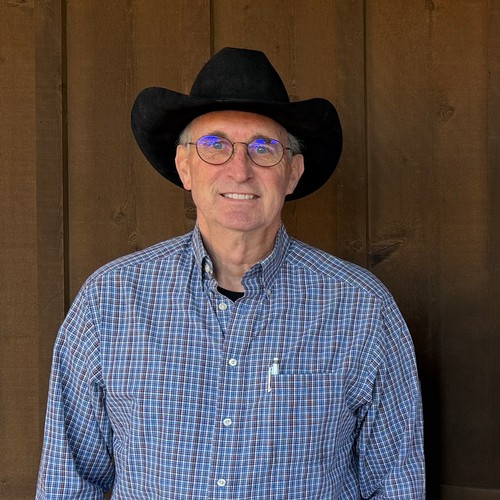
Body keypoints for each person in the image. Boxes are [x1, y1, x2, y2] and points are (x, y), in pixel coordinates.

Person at [36, 47, 425, 499]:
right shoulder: (110, 301)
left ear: (292, 173)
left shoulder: (361, 308)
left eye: (264, 148)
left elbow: (395, 485)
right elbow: (68, 483)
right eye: (215, 145)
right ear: (185, 167)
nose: (240, 170)